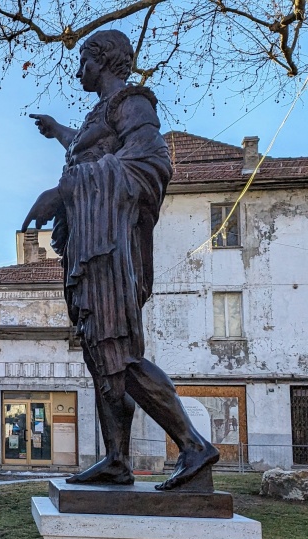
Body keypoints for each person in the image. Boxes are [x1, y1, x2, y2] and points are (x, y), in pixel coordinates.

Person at [23, 29, 219, 490]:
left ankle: (194, 445)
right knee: (100, 357)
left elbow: (148, 163)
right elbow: (92, 147)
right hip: (89, 245)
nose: (78, 71)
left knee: (119, 354)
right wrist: (58, 132)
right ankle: (116, 459)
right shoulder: (103, 111)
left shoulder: (133, 103)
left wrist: (62, 191)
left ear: (105, 60)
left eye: (84, 61)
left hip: (110, 247)